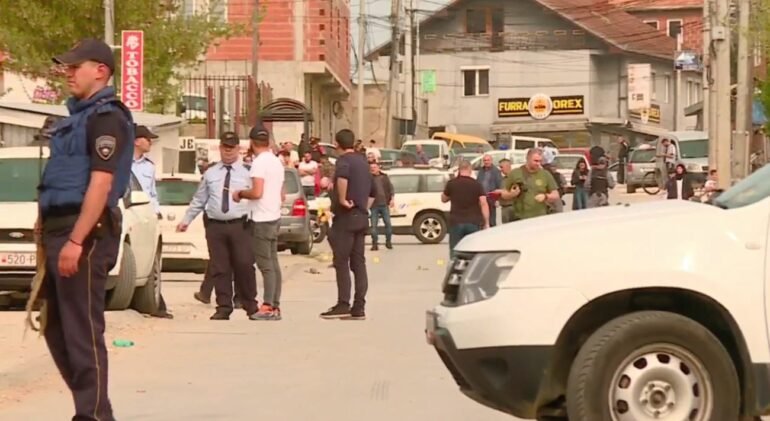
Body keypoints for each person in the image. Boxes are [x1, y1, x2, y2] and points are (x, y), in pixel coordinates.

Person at [38, 38, 134, 421]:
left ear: (101, 71)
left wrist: (77, 240)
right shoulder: (74, 118)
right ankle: (96, 411)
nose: (68, 73)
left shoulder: (106, 118)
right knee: (55, 327)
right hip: (58, 228)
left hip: (85, 232)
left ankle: (91, 414)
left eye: (75, 66)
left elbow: (101, 183)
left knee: (81, 330)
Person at [177, 131, 258, 320]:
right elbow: (199, 199)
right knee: (220, 267)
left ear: (238, 149)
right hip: (216, 226)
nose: (228, 151)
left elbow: (257, 195)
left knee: (244, 264)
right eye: (225, 147)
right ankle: (223, 307)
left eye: (232, 148)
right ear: (220, 148)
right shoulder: (210, 173)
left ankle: (250, 304)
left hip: (240, 225)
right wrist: (186, 220)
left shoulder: (248, 172)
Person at [234, 123, 286, 321]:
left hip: (261, 219)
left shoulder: (259, 163)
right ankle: (275, 304)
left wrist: (240, 194)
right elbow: (282, 194)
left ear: (252, 142)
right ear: (268, 141)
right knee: (273, 263)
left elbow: (257, 192)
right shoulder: (276, 161)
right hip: (274, 216)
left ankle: (268, 305)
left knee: (265, 265)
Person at [320, 129, 373, 321]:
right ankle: (359, 306)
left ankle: (343, 303)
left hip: (346, 217)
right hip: (361, 217)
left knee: (341, 261)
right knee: (358, 262)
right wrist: (363, 207)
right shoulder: (364, 162)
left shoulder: (343, 161)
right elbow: (374, 192)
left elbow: (343, 178)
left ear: (337, 144)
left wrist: (342, 199)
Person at [131, 124, 173, 318]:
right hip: (130, 213)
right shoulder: (121, 163)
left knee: (150, 258)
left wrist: (156, 212)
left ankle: (154, 303)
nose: (150, 142)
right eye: (147, 139)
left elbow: (152, 193)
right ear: (136, 141)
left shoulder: (149, 166)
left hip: (146, 216)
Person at [497, 148, 560, 221]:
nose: (538, 164)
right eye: (536, 161)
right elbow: (504, 194)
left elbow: (556, 195)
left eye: (540, 161)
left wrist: (545, 196)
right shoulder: (515, 173)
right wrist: (511, 194)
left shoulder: (545, 174)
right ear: (528, 159)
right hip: (519, 217)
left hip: (540, 216)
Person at [443, 161, 489, 258]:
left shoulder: (451, 184)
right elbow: (483, 203)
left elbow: (443, 199)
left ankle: (455, 265)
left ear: (459, 170)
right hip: (473, 222)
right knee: (473, 250)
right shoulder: (476, 184)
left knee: (455, 250)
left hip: (456, 222)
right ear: (470, 169)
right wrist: (486, 222)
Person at [369, 161, 394, 251]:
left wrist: (392, 199)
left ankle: (388, 242)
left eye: (374, 167)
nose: (373, 169)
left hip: (384, 204)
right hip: (374, 205)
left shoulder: (384, 177)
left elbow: (391, 189)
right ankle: (375, 244)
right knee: (373, 226)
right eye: (371, 168)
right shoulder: (369, 178)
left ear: (378, 168)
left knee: (388, 224)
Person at [476, 154, 503, 226]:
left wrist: (498, 199)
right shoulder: (481, 171)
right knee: (482, 219)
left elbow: (500, 185)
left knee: (491, 219)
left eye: (488, 160)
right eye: (485, 160)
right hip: (482, 198)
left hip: (491, 198)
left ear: (491, 161)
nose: (486, 162)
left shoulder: (496, 171)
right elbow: (478, 182)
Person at [542, 149, 565, 213]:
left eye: (554, 167)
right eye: (552, 167)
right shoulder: (545, 174)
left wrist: (561, 193)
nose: (553, 168)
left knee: (558, 212)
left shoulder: (558, 175)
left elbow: (564, 185)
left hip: (556, 196)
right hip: (548, 196)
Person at [497, 159, 515, 223]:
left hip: (512, 207)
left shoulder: (514, 178)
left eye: (502, 167)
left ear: (507, 166)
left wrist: (501, 192)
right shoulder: (503, 179)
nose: (500, 169)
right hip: (504, 207)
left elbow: (514, 192)